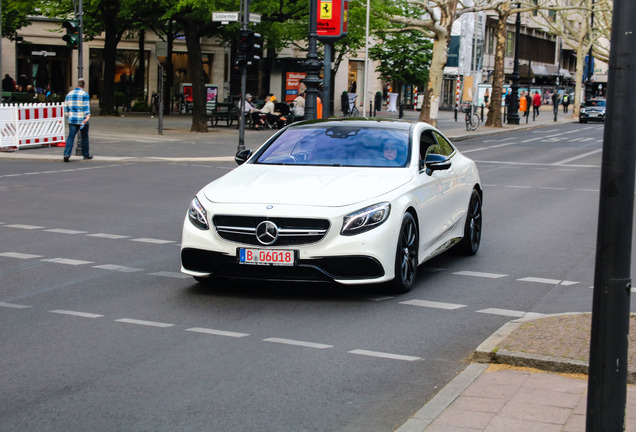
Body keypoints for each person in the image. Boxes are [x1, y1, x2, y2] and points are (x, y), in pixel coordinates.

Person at [63, 78, 92, 162]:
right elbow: (86, 106)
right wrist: (87, 116)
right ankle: (85, 154)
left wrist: (67, 116)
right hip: (82, 119)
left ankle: (66, 154)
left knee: (70, 137)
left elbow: (66, 107)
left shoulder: (69, 94)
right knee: (84, 137)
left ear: (76, 85)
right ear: (84, 86)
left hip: (72, 119)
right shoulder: (84, 94)